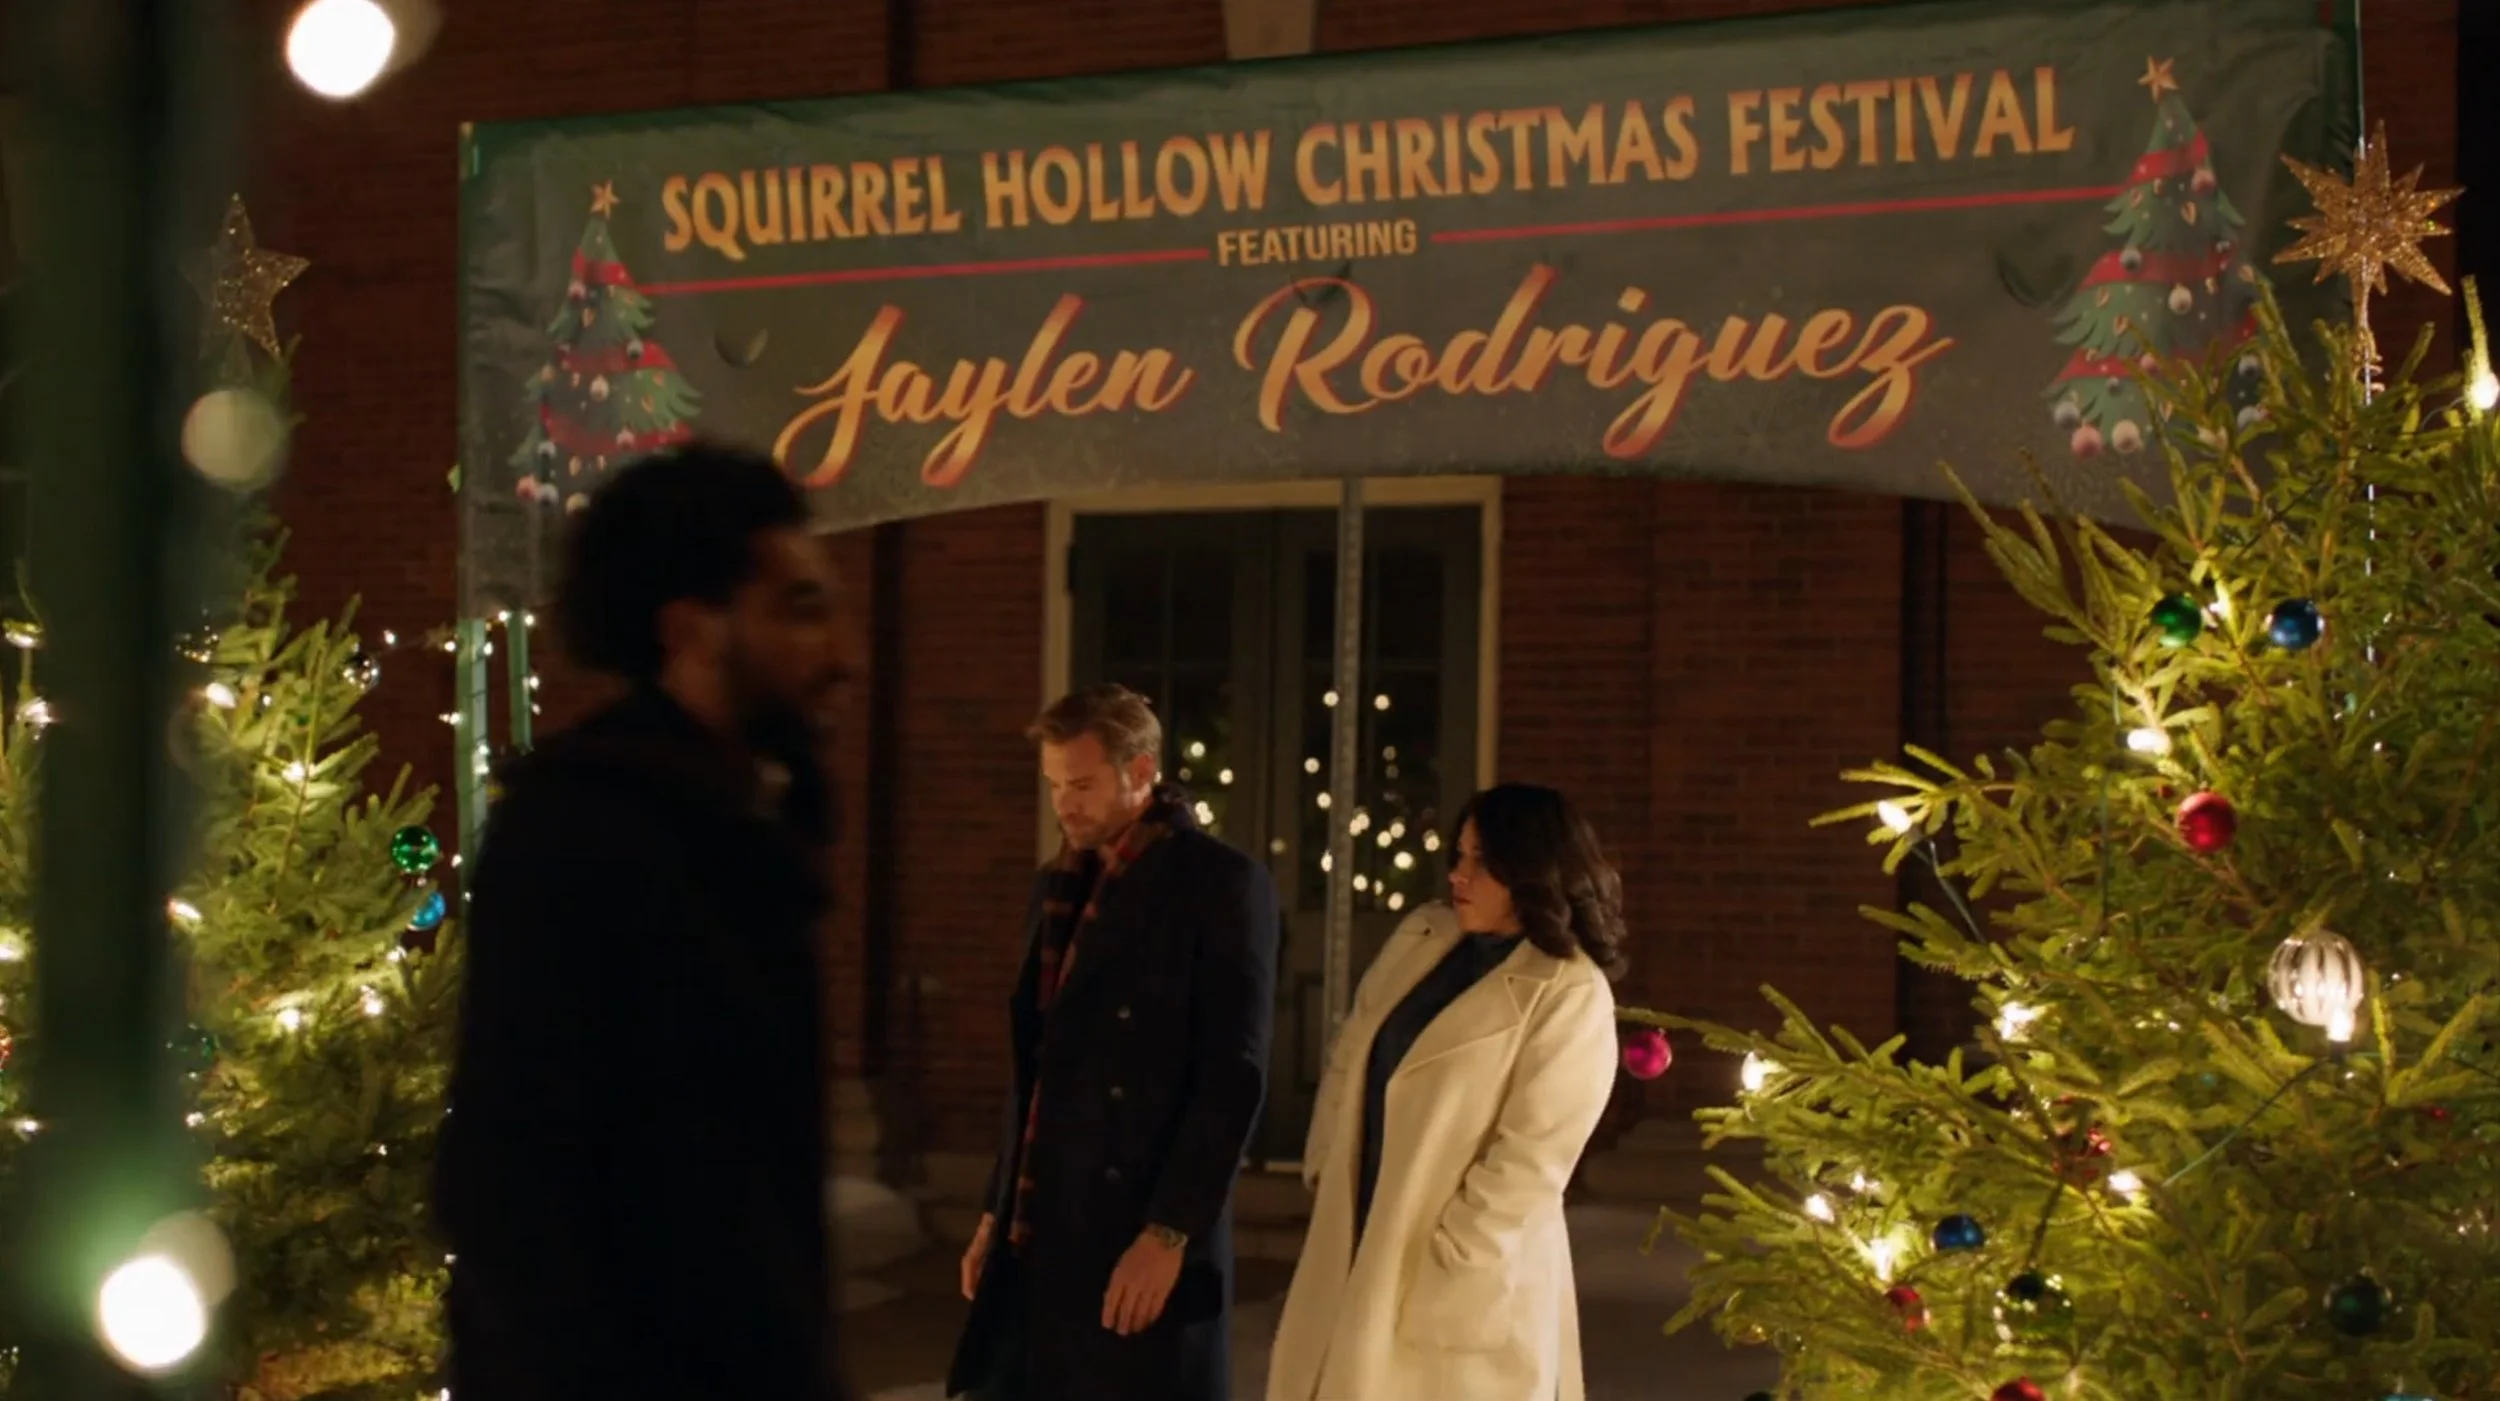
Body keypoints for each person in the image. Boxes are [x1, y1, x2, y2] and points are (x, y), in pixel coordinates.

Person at [435, 444, 850, 1400]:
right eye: (799, 607)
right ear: (691, 630)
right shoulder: (578, 840)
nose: (841, 654)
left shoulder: (752, 832)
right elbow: (511, 1197)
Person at [947, 684, 1280, 1401]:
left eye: (1083, 784)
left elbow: (1233, 1075)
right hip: (1043, 1223)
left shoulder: (1220, 885)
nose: (1065, 804)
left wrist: (1169, 1231)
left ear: (1141, 771)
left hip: (1140, 1215)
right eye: (1056, 785)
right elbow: (1032, 1065)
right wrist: (993, 1211)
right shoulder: (1055, 885)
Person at [1266, 783, 1627, 1401]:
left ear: (1529, 868)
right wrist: (1330, 1158)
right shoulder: (1425, 936)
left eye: (1480, 861)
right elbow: (1354, 1048)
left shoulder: (1568, 991)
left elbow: (1530, 1161)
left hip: (1461, 1277)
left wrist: (1456, 1259)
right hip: (1361, 1227)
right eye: (1457, 856)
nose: (1459, 875)